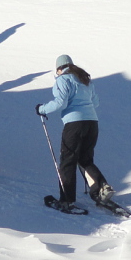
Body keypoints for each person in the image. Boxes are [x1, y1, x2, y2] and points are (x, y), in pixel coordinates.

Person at [37, 55, 116, 212]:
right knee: (85, 159)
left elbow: (61, 102)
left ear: (60, 68)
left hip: (74, 124)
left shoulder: (63, 79)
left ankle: (67, 200)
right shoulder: (84, 79)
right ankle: (101, 187)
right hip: (92, 123)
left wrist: (42, 109)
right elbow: (96, 102)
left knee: (68, 161)